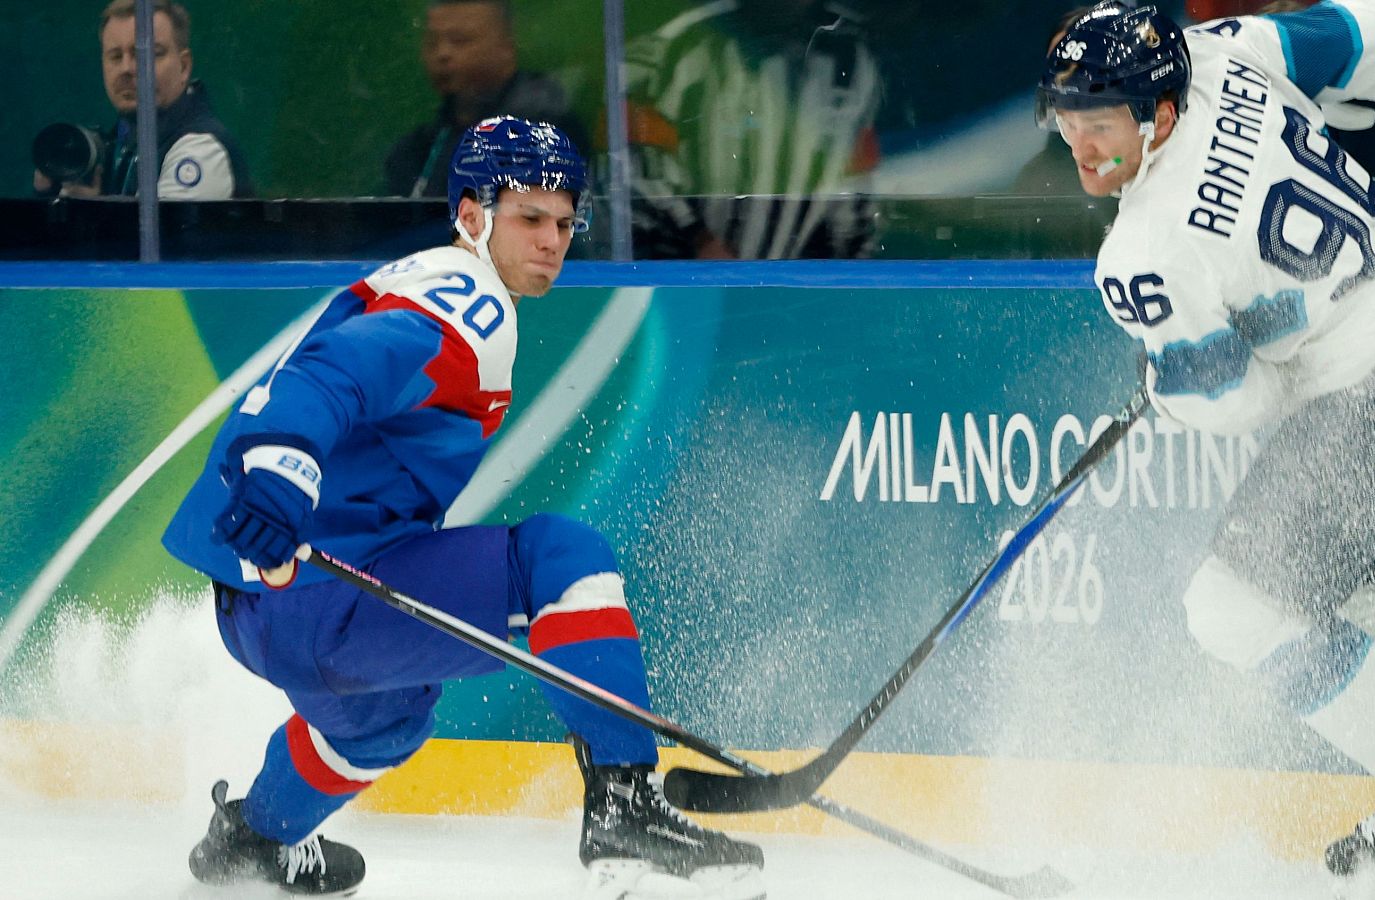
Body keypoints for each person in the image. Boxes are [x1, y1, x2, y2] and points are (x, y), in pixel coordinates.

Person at [163, 118, 764, 898]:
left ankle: (252, 840)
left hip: (262, 606)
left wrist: (278, 480)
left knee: (387, 720)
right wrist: (283, 466)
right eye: (530, 217)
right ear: (473, 215)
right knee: (561, 561)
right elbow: (333, 373)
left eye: (564, 222)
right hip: (317, 594)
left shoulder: (428, 276)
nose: (552, 240)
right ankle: (625, 807)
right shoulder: (467, 301)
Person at [1035, 3, 1375, 895]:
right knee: (1357, 590)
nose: (1081, 148)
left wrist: (1173, 384)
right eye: (1067, 124)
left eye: (1098, 125)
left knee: (1230, 608)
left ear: (1158, 112)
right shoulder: (1228, 48)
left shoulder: (1141, 257)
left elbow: (1236, 404)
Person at [624, 0, 883, 259]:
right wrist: (699, 238)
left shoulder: (851, 61)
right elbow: (636, 167)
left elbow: (854, 186)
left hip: (788, 277)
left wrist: (844, 268)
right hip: (680, 272)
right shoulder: (678, 48)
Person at [33, 0, 251, 199]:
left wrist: (89, 213)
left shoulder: (201, 150)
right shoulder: (124, 142)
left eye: (145, 54)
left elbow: (162, 230)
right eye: (115, 56)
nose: (127, 68)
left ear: (183, 66)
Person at [384, 0, 587, 198]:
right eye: (432, 42)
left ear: (506, 48)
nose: (442, 53)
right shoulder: (417, 150)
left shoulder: (543, 132)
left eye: (459, 40)